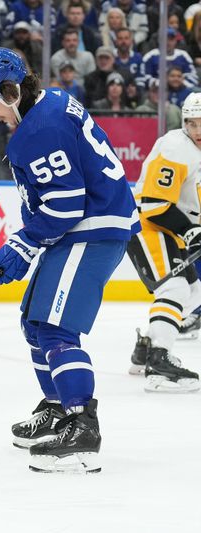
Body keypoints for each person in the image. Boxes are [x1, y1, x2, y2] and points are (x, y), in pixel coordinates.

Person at [0, 48, 139, 473]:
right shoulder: (51, 103)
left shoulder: (38, 130)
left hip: (91, 229)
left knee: (55, 329)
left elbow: (65, 206)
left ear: (10, 91)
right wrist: (26, 242)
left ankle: (81, 430)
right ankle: (58, 407)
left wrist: (22, 244)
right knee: (35, 323)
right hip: (90, 226)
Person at [126, 94, 201, 393]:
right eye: (191, 123)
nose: (197, 130)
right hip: (148, 225)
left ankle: (146, 347)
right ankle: (158, 362)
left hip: (169, 230)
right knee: (176, 288)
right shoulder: (175, 147)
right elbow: (154, 204)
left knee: (195, 293)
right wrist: (190, 230)